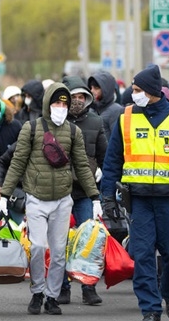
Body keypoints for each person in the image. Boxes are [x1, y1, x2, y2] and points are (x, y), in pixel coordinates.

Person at [100, 64, 169, 321]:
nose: (133, 94)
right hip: (139, 201)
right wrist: (107, 198)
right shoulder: (125, 119)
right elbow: (112, 161)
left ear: (151, 91)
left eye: (137, 90)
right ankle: (150, 308)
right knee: (143, 255)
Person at [0, 82, 103, 316]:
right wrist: (4, 195)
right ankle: (37, 291)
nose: (61, 107)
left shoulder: (73, 132)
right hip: (36, 198)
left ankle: (52, 297)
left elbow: (82, 166)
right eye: (56, 102)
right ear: (47, 103)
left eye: (64, 104)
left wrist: (95, 197)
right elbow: (17, 162)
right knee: (37, 247)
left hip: (63, 200)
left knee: (57, 252)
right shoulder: (31, 128)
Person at [60, 75, 108, 305]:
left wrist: (100, 170)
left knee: (88, 241)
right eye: (73, 97)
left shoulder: (96, 122)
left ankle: (88, 287)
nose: (77, 101)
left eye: (82, 96)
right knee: (59, 240)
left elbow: (104, 155)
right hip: (58, 190)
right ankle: (61, 287)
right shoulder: (53, 121)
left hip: (84, 191)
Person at [88, 70, 124, 139]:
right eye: (91, 88)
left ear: (106, 90)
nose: (92, 91)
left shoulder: (116, 111)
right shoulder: (92, 109)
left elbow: (117, 140)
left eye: (96, 88)